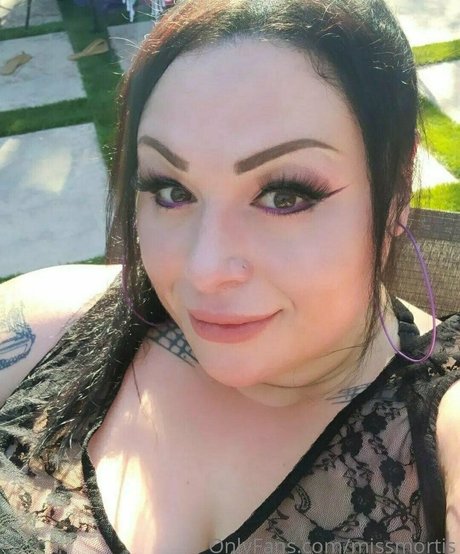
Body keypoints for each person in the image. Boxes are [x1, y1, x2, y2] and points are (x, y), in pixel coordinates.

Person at [0, 0, 459, 553]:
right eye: (172, 190)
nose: (204, 270)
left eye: (284, 196)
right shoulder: (42, 326)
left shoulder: (447, 435)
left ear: (399, 186)